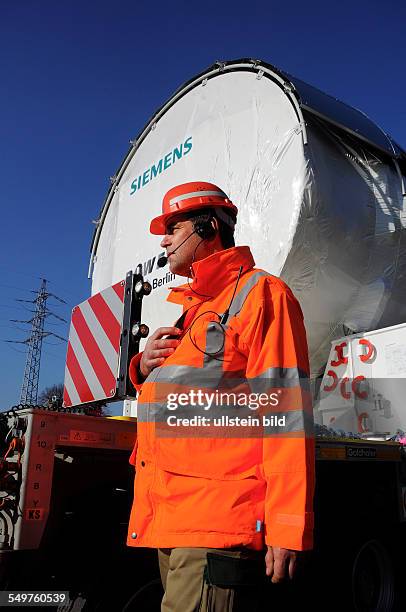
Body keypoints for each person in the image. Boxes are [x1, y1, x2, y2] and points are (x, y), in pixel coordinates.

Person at [127, 181, 315, 611]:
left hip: (216, 521)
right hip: (173, 519)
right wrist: (143, 368)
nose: (164, 239)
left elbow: (286, 416)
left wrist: (287, 526)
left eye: (174, 227)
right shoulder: (195, 312)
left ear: (209, 228)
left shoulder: (262, 295)